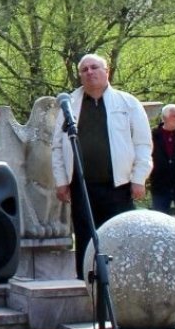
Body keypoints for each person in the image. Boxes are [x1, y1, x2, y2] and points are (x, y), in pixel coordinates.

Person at [51, 54, 153, 280]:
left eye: (94, 67)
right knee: (85, 240)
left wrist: (139, 178)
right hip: (82, 187)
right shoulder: (69, 105)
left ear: (106, 71)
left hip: (118, 186)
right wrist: (61, 181)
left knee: (121, 239)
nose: (89, 72)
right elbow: (57, 146)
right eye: (84, 69)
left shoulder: (127, 103)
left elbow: (143, 143)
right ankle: (86, 287)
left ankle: (121, 284)